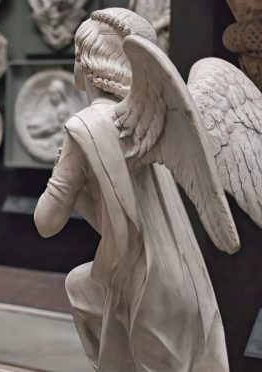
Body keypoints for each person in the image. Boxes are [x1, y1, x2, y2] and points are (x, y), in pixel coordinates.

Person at [33, 8, 229, 371]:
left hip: (146, 289)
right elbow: (121, 227)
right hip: (184, 280)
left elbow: (46, 222)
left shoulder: (86, 126)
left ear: (85, 62)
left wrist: (63, 176)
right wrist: (82, 190)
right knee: (81, 285)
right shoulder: (143, 123)